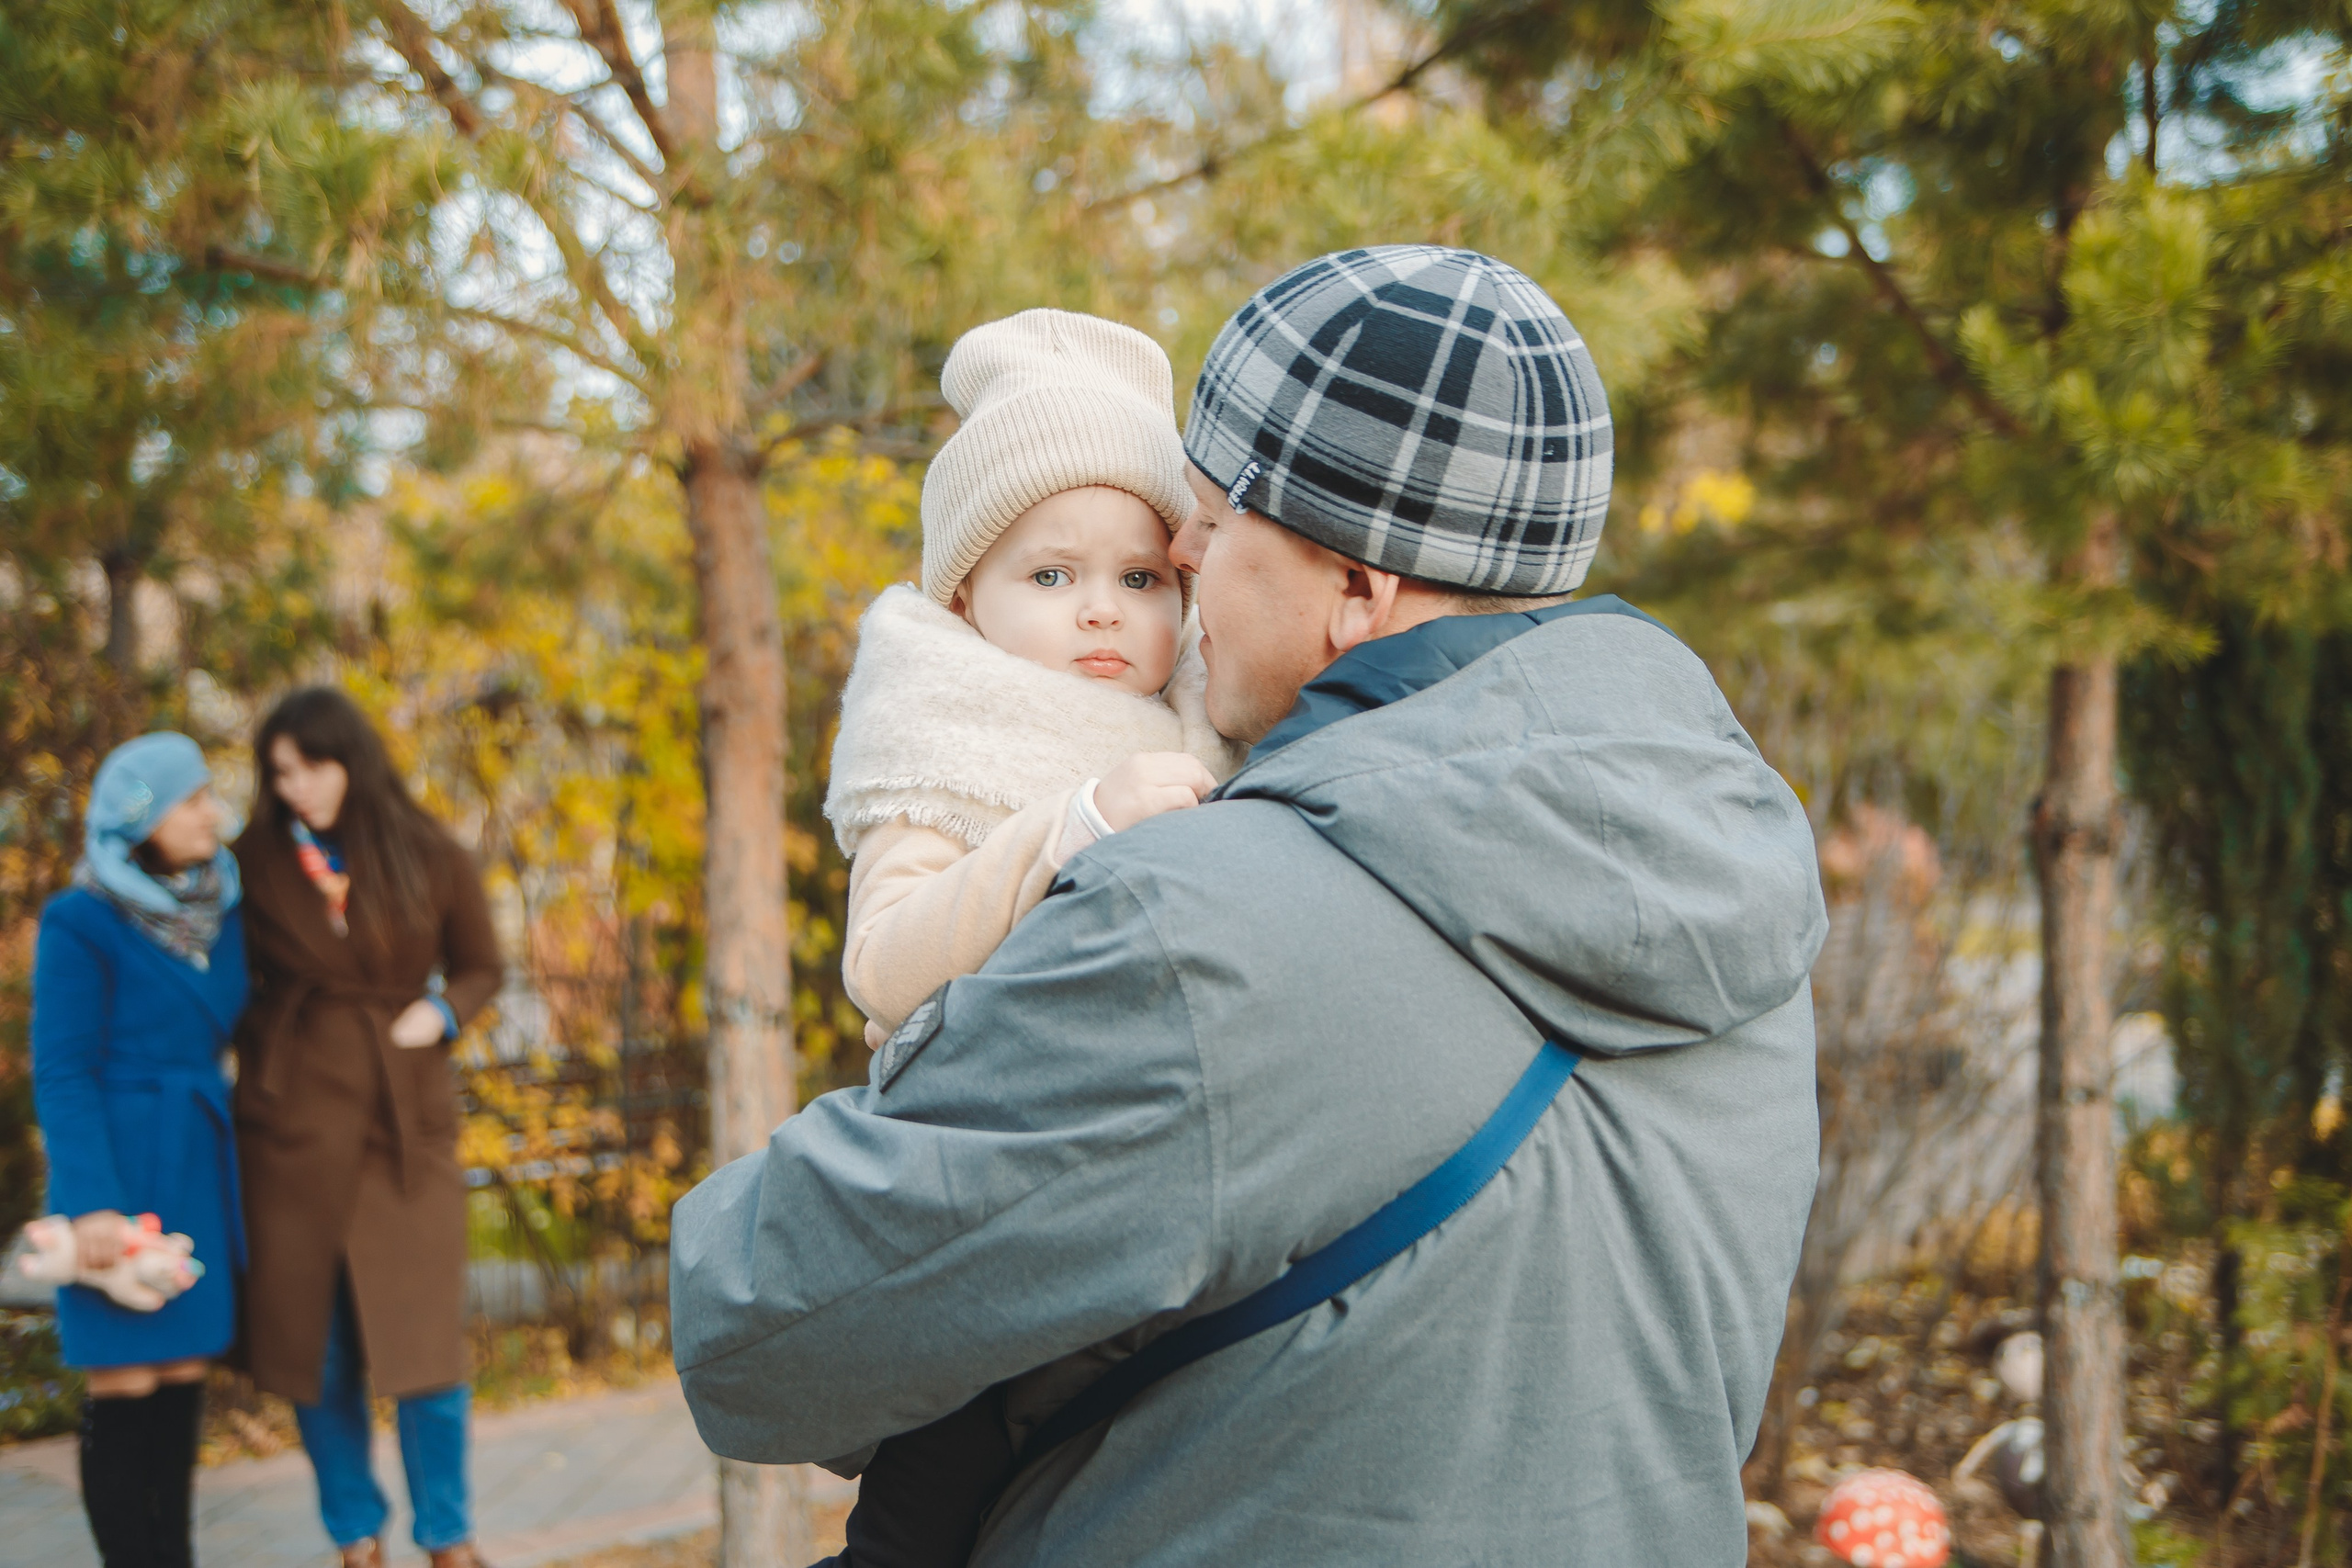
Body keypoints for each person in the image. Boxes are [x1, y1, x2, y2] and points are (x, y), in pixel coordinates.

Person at [673, 246, 1831, 1564]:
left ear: (1358, 589)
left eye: (1215, 524)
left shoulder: (1195, 925)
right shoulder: (1742, 883)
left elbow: (759, 1326)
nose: (1175, 549)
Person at [817, 308, 1241, 1566]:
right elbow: (882, 959)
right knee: (928, 1507)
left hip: (1142, 1203)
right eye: (1050, 576)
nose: (1100, 612)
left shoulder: (1200, 733)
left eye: (1141, 576)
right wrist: (1064, 831)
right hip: (978, 1188)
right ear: (964, 594)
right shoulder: (944, 745)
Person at [231, 688, 503, 1568]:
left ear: (352, 757)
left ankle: (447, 1536)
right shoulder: (253, 861)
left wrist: (443, 1015)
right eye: (280, 773)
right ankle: (355, 1537)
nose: (296, 786)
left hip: (403, 1120)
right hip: (293, 1129)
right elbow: (226, 985)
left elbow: (482, 964)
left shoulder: (428, 852)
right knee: (320, 1346)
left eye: (312, 764)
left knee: (426, 1347)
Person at [31, 732, 248, 1568]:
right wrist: (89, 1199)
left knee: (184, 1376)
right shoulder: (80, 918)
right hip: (116, 1174)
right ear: (144, 816)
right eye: (192, 799)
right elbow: (62, 1066)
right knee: (124, 1383)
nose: (212, 814)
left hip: (198, 1158)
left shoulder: (222, 907)